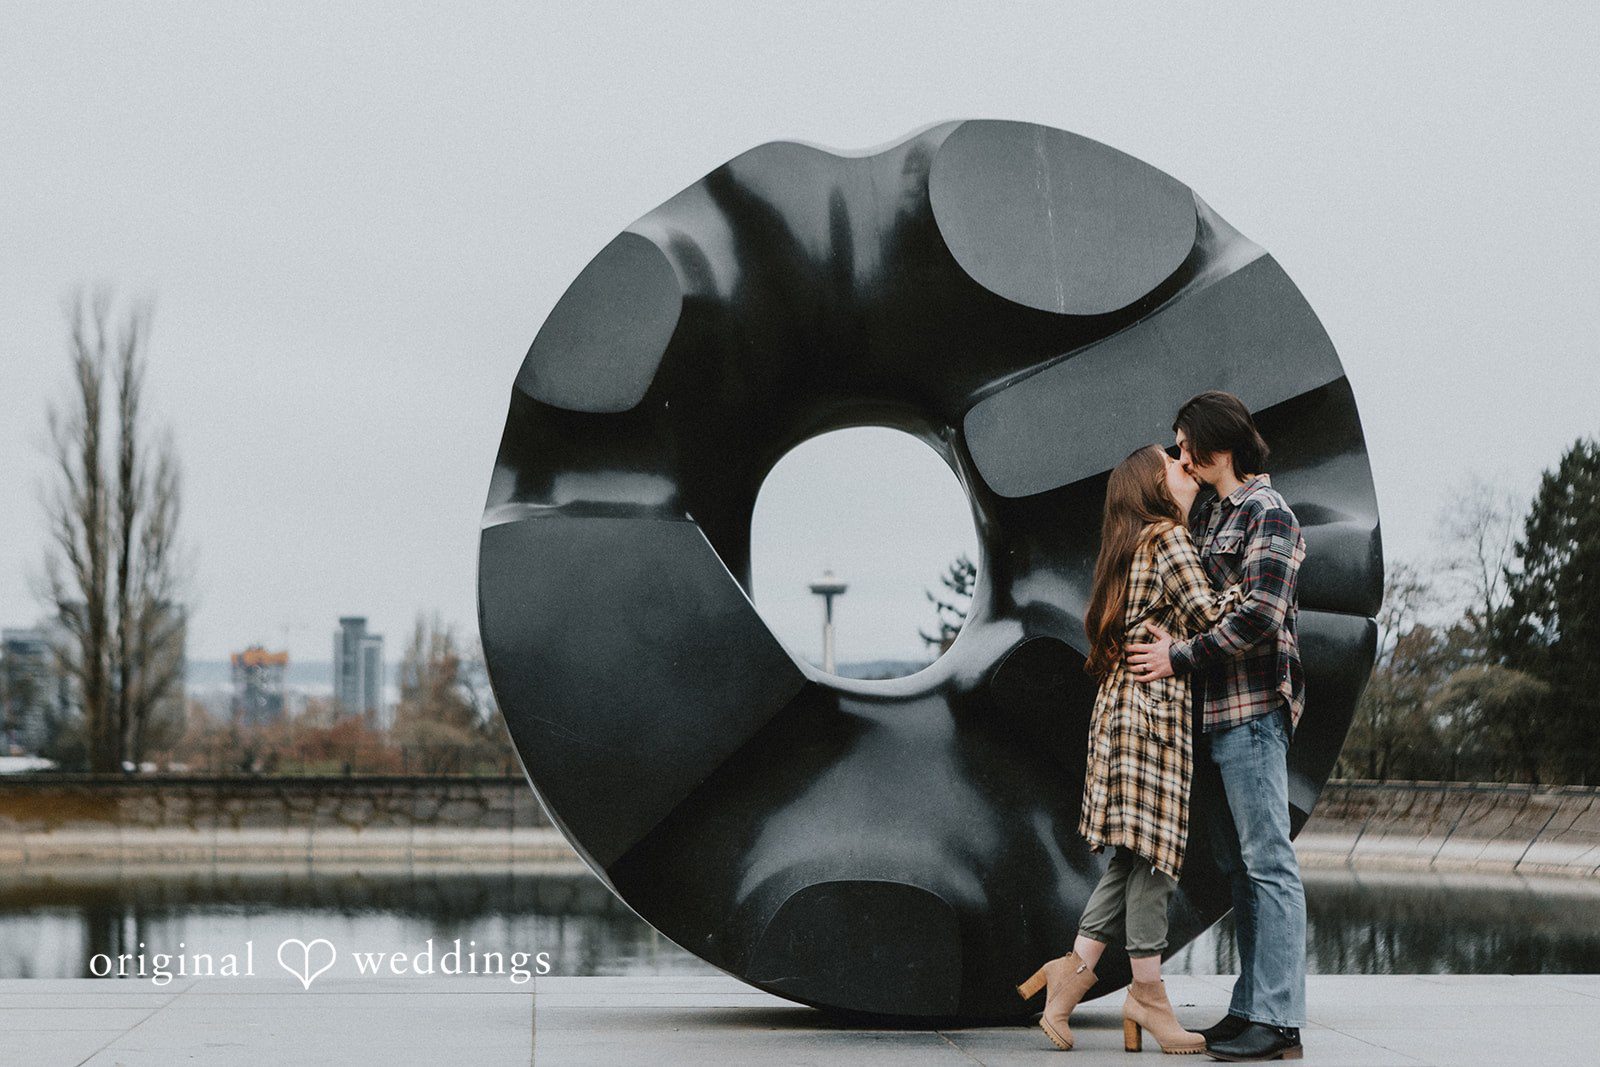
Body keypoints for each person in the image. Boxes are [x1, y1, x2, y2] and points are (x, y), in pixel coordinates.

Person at [1017, 444, 1243, 1054]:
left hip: (1122, 711)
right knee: (1158, 860)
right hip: (1153, 716)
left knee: (1134, 857)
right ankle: (1147, 992)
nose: (1184, 465)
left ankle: (1072, 972)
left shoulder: (1130, 545)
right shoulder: (1168, 539)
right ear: (1154, 487)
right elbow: (1218, 616)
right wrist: (1260, 582)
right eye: (1173, 462)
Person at [1127, 390, 1309, 1062]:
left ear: (1216, 443)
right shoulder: (1213, 516)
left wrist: (1174, 657)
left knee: (1268, 863)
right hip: (1214, 717)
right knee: (1241, 866)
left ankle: (1280, 1018)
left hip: (1252, 712)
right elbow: (1202, 603)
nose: (1179, 455)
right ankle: (1251, 1005)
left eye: (1183, 444)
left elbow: (1259, 615)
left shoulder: (1270, 513)